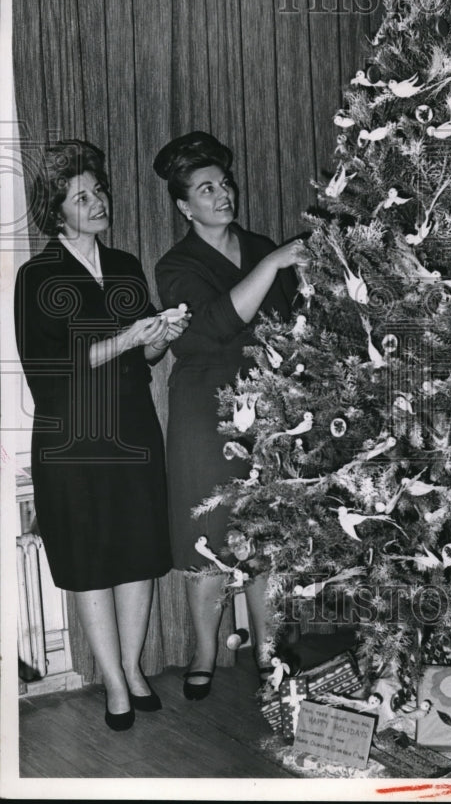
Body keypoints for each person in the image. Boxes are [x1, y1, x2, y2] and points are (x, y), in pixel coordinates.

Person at [14, 140, 189, 731]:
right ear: (56, 211)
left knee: (137, 551)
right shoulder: (36, 277)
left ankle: (135, 669)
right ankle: (113, 682)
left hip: (133, 426)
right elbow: (50, 372)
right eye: (81, 196)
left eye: (100, 191)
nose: (98, 202)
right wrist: (125, 337)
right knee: (91, 559)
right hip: (73, 438)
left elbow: (148, 358)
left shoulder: (124, 265)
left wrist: (163, 332)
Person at [153, 131, 308, 699]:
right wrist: (270, 264)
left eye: (225, 184)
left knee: (265, 530)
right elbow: (214, 325)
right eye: (206, 188)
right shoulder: (175, 266)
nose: (223, 195)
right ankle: (203, 650)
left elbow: (293, 324)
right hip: (204, 412)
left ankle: (269, 653)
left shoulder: (263, 244)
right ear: (183, 206)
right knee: (207, 534)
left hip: (267, 407)